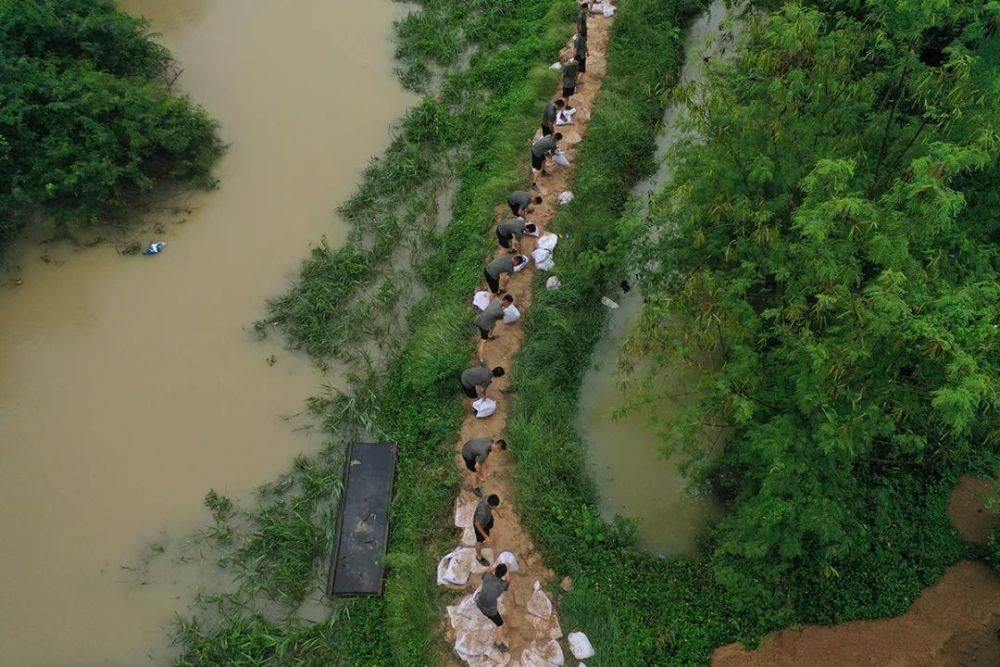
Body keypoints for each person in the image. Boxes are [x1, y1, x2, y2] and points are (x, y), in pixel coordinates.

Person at [476, 562, 511, 653]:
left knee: (484, 589)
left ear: (495, 570)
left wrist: (495, 566)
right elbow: (508, 580)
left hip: (479, 602)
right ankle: (498, 643)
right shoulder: (502, 585)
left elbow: (488, 571)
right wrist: (507, 570)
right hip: (488, 611)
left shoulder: (488, 576)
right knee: (500, 624)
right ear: (503, 574)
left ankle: (480, 599)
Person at [477, 293, 514, 359]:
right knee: (483, 343)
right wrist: (503, 312)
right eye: (508, 304)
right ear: (505, 301)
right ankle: (481, 360)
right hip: (484, 327)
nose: (508, 306)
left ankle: (490, 336)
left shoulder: (495, 300)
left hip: (480, 319)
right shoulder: (500, 312)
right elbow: (500, 318)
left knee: (494, 324)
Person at [474, 493, 502, 566]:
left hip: (486, 520)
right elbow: (477, 524)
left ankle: (485, 537)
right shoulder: (482, 513)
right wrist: (486, 536)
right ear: (491, 506)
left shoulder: (488, 497)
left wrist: (498, 511)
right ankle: (479, 557)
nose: (496, 508)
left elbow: (493, 505)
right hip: (480, 525)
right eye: (495, 507)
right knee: (479, 542)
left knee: (489, 525)